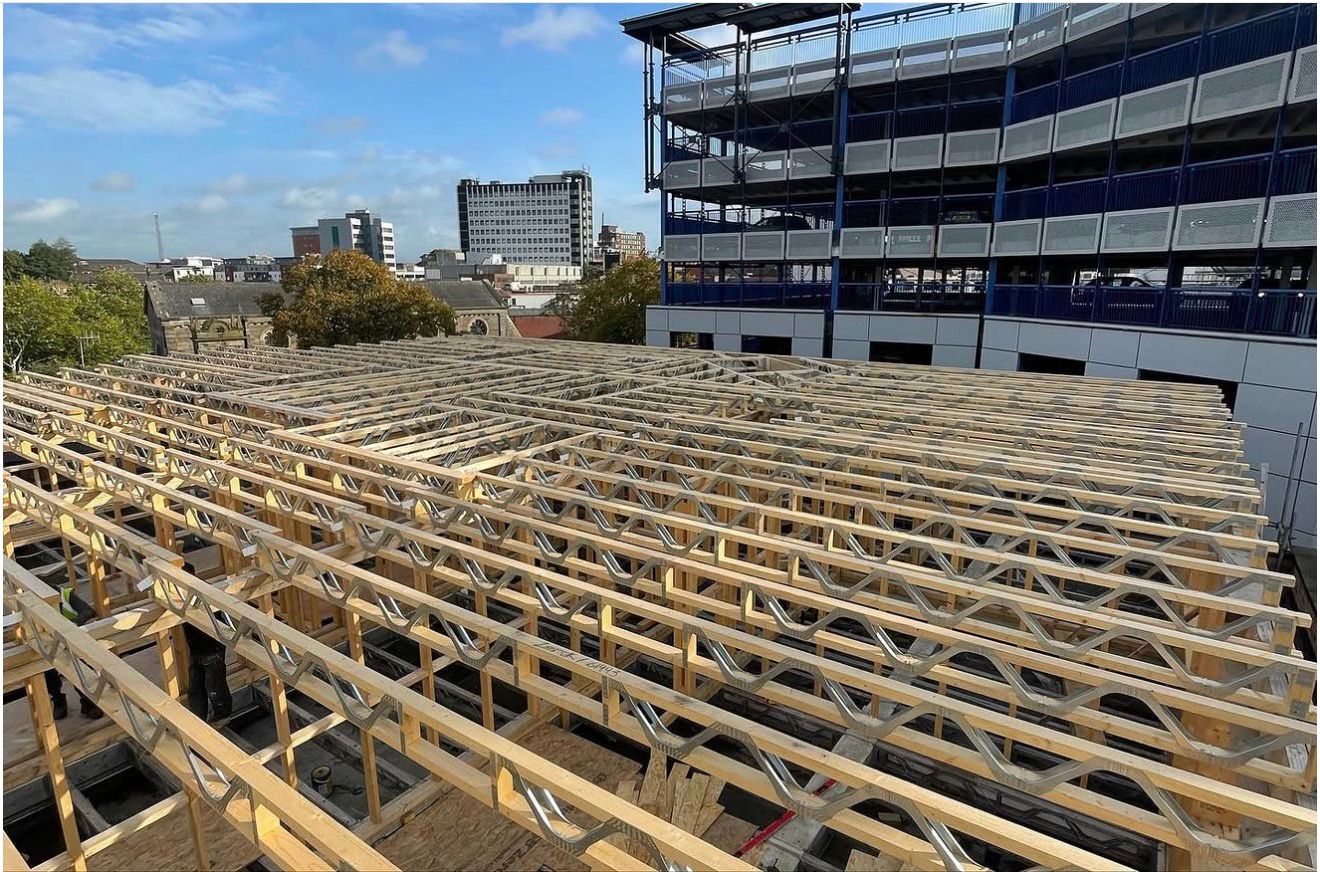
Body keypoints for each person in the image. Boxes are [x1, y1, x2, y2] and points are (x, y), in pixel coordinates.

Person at [180, 562, 233, 724]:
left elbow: (221, 622)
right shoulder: (179, 594)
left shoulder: (203, 593)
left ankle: (223, 716)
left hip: (211, 648)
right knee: (195, 688)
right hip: (196, 649)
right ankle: (197, 721)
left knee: (214, 687)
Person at [48, 584, 102, 720]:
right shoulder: (33, 601)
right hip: (49, 644)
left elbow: (88, 611)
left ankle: (87, 702)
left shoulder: (65, 595)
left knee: (80, 669)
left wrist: (74, 623)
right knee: (49, 675)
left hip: (71, 641)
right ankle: (58, 701)